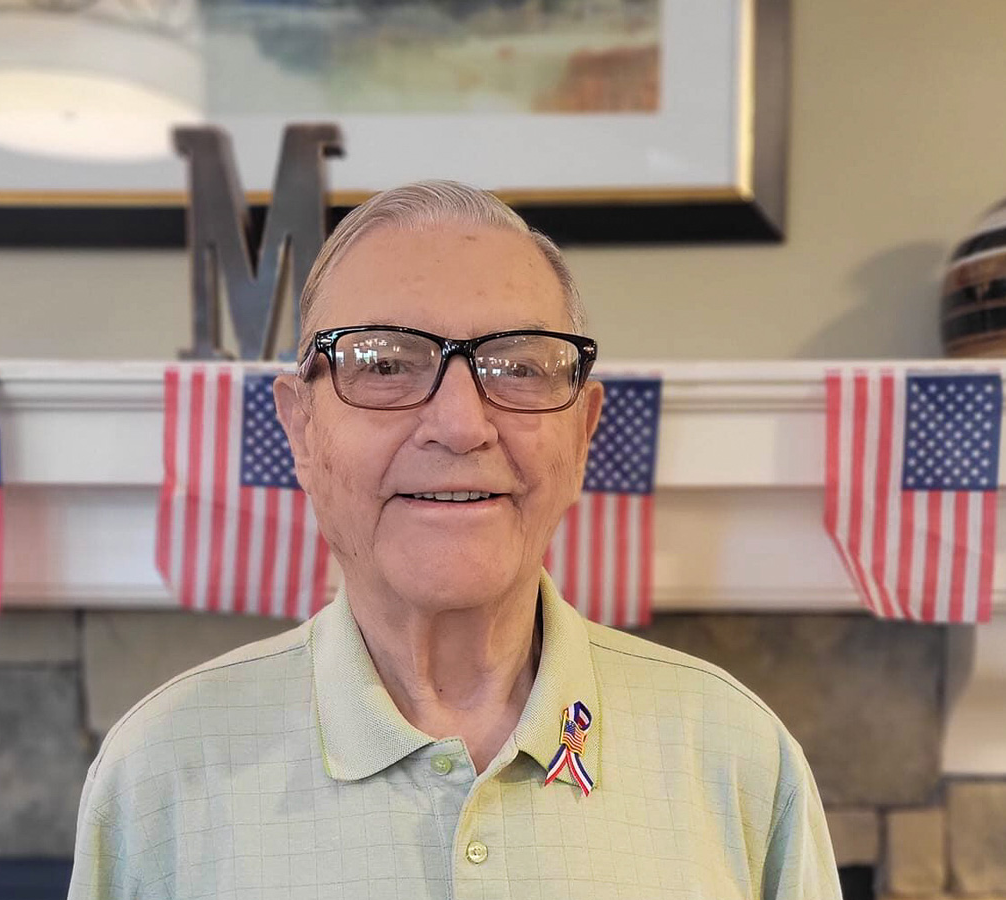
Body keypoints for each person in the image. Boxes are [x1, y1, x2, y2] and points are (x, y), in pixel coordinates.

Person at [68, 181, 842, 899]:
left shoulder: (736, 757)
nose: (461, 424)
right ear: (299, 429)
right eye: (384, 364)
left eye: (518, 367)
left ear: (582, 433)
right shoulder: (160, 773)